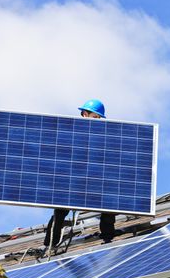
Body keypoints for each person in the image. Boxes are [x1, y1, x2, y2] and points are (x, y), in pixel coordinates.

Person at [43, 99, 116, 247]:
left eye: (98, 118)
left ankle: (108, 237)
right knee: (61, 210)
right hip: (73, 177)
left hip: (93, 177)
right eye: (94, 117)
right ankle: (50, 243)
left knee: (108, 204)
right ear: (84, 114)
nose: (97, 121)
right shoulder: (71, 131)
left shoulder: (103, 136)